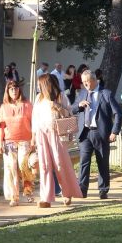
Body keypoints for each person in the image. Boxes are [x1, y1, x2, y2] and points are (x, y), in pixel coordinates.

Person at [32, 75, 82, 207]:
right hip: (41, 133)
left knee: (60, 164)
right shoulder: (39, 98)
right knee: (44, 165)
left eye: (40, 84)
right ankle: (46, 198)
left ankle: (67, 193)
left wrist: (57, 106)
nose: (38, 86)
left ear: (46, 84)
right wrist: (33, 136)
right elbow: (35, 117)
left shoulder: (61, 96)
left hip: (57, 133)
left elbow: (69, 114)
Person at [72, 70, 122, 199]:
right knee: (84, 162)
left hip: (101, 133)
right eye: (83, 82)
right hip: (85, 133)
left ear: (94, 80)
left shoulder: (106, 93)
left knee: (102, 162)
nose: (85, 84)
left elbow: (118, 113)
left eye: (87, 81)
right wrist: (79, 105)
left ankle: (103, 190)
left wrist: (114, 131)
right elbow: (72, 109)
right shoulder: (82, 93)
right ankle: (82, 190)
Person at [0, 80, 34, 206]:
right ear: (7, 91)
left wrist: (34, 139)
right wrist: (0, 142)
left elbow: (33, 122)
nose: (14, 91)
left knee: (23, 165)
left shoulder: (27, 105)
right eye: (11, 89)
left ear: (19, 90)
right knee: (10, 168)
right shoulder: (3, 107)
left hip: (25, 139)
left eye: (16, 88)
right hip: (9, 141)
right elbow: (2, 126)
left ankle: (28, 191)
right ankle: (14, 196)